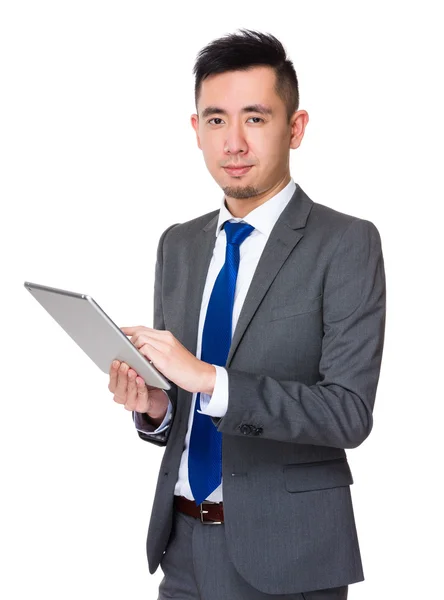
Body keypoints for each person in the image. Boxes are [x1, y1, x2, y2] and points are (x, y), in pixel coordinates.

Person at [108, 28, 386, 600]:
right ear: (196, 131)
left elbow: (349, 414)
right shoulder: (178, 245)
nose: (233, 142)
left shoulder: (346, 243)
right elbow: (187, 406)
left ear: (296, 127)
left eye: (255, 119)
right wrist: (160, 408)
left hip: (291, 556)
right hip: (180, 549)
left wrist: (210, 379)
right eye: (216, 120)